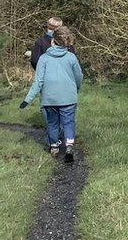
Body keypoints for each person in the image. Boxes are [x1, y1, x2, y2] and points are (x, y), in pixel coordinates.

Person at [20, 25, 83, 163]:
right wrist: (76, 89)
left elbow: (38, 82)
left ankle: (54, 146)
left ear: (53, 41)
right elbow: (79, 76)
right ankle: (69, 146)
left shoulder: (43, 59)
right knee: (68, 122)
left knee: (52, 123)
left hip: (49, 99)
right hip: (69, 97)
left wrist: (27, 100)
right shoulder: (71, 57)